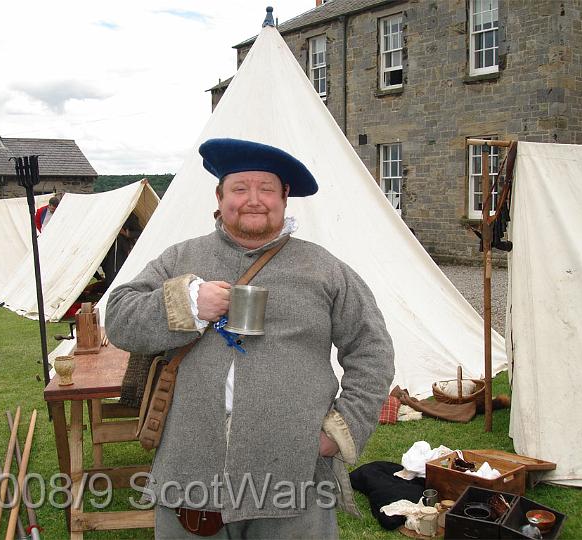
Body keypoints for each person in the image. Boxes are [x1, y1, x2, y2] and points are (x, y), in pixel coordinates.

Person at [105, 138, 395, 539]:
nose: (253, 200)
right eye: (240, 189)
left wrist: (340, 429)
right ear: (221, 196)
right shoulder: (181, 258)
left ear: (285, 198)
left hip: (294, 474)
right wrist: (186, 303)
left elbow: (372, 350)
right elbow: (118, 317)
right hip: (191, 474)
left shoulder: (324, 269)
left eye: (267, 189)